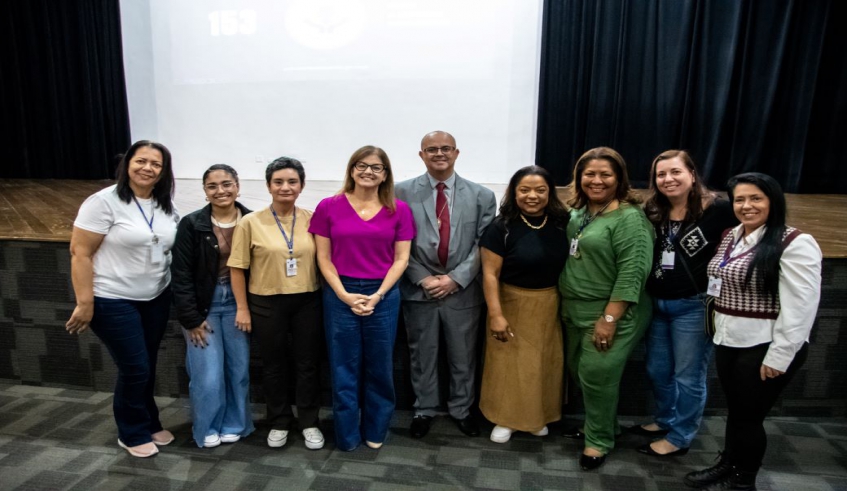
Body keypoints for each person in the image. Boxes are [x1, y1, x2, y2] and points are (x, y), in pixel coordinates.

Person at [685, 172, 821, 490]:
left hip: (765, 345)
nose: (747, 206)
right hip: (729, 339)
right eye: (740, 200)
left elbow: (801, 307)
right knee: (736, 411)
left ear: (774, 201)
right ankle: (728, 464)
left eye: (756, 198)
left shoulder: (795, 243)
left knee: (749, 417)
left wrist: (780, 355)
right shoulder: (732, 235)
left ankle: (744, 479)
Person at [65, 140, 179, 458]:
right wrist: (85, 303)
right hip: (112, 298)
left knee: (147, 364)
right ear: (127, 163)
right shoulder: (103, 202)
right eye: (141, 161)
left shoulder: (164, 204)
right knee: (135, 368)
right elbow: (80, 253)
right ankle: (131, 432)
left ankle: (149, 421)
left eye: (155, 164)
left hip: (155, 297)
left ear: (163, 172)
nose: (147, 168)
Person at [631, 150, 738, 457]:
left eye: (675, 172)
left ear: (692, 174)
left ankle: (680, 436)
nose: (668, 179)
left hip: (694, 306)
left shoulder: (719, 210)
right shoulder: (653, 210)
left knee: (688, 377)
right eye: (661, 174)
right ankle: (666, 419)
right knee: (657, 370)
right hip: (657, 304)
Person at [310, 146, 415, 451]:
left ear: (385, 175)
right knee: (343, 366)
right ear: (352, 169)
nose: (368, 171)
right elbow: (323, 258)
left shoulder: (399, 210)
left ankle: (376, 428)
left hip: (383, 294)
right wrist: (343, 294)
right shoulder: (328, 206)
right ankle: (346, 434)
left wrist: (378, 295)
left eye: (376, 167)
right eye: (362, 165)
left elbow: (401, 259)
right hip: (339, 293)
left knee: (379, 367)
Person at [394, 131, 496, 439]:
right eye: (432, 149)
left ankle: (461, 410)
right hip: (419, 289)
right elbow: (398, 242)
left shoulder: (482, 196)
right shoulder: (400, 193)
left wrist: (455, 279)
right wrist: (422, 277)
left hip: (462, 291)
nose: (439, 153)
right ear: (421, 154)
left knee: (463, 356)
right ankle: (424, 409)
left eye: (446, 148)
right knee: (422, 355)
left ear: (456, 153)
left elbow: (483, 245)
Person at [558, 147, 654, 470]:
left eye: (605, 175)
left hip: (611, 313)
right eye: (589, 174)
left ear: (619, 178)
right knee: (579, 371)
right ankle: (604, 426)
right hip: (574, 309)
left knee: (597, 374)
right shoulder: (580, 212)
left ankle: (598, 441)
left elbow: (632, 273)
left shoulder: (630, 219)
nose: (596, 181)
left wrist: (610, 318)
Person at [228, 157, 325, 450]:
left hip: (307, 301)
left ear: (301, 186)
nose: (285, 187)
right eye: (278, 182)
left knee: (308, 364)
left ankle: (309, 421)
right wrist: (242, 308)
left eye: (292, 181)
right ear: (269, 186)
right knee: (273, 365)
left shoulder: (313, 219)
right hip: (266, 303)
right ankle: (280, 421)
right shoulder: (249, 222)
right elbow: (237, 268)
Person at [478, 165, 569, 443]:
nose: (533, 196)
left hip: (550, 303)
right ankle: (505, 418)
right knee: (509, 365)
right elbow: (490, 274)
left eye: (540, 190)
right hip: (510, 302)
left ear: (550, 193)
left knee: (543, 364)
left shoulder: (561, 223)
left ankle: (536, 417)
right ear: (514, 192)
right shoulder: (501, 227)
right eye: (525, 190)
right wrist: (496, 315)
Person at [171, 164, 254, 448]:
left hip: (238, 303)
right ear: (205, 191)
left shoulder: (252, 221)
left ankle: (235, 423)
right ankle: (207, 426)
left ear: (237, 186)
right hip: (203, 305)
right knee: (207, 374)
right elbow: (180, 274)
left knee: (238, 371)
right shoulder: (192, 223)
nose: (221, 191)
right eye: (212, 186)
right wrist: (191, 318)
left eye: (227, 184)